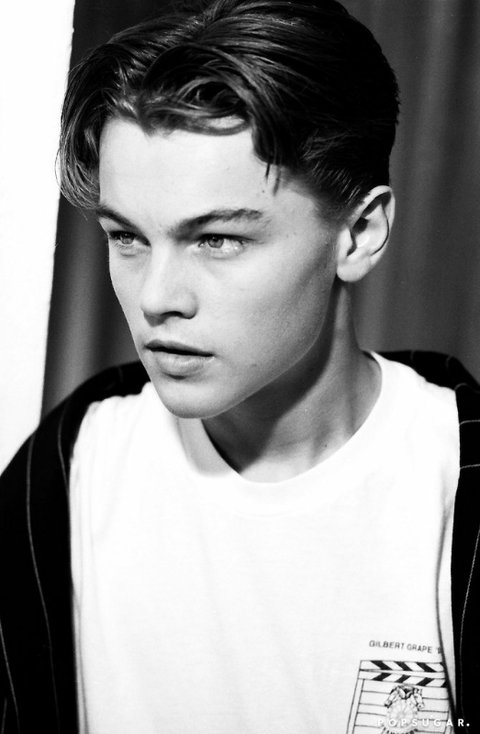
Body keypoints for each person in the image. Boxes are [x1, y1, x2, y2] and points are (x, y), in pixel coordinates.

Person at [0, 1, 479, 732]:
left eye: (217, 239)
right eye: (127, 237)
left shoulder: (457, 487)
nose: (156, 298)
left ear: (359, 233)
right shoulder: (64, 478)